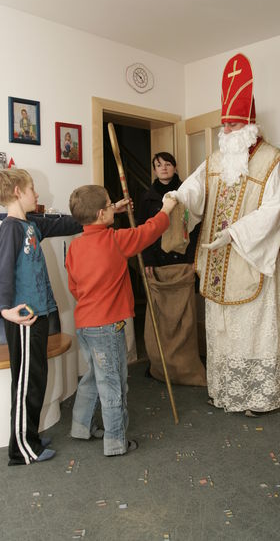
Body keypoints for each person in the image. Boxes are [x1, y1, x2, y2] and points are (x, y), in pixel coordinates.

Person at [165, 53, 280, 417]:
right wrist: (176, 199)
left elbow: (275, 210)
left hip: (250, 258)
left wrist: (234, 234)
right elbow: (195, 189)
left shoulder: (272, 161)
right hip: (216, 260)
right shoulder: (217, 159)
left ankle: (256, 396)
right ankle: (223, 391)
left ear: (250, 126)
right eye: (226, 127)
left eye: (235, 126)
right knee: (222, 331)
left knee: (252, 329)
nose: (229, 134)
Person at [65, 184, 177, 456]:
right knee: (113, 382)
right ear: (102, 213)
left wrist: (113, 207)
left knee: (93, 376)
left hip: (85, 325)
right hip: (108, 326)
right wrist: (166, 210)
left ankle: (81, 426)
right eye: (109, 204)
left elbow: (75, 288)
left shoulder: (75, 247)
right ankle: (115, 440)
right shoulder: (116, 239)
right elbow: (148, 231)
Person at [0, 169, 82, 465]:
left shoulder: (31, 224)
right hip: (23, 318)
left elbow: (67, 223)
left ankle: (29, 436)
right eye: (33, 189)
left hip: (39, 314)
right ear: (18, 192)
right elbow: (3, 269)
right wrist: (5, 308)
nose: (37, 194)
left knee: (37, 377)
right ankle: (21, 449)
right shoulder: (9, 228)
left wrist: (105, 212)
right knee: (26, 383)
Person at [137, 152, 206, 386]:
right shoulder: (147, 199)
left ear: (175, 167)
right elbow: (143, 233)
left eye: (167, 164)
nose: (163, 168)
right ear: (154, 170)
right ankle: (160, 364)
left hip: (184, 262)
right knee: (161, 319)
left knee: (185, 318)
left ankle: (185, 364)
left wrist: (193, 258)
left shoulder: (188, 194)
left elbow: (196, 229)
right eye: (158, 165)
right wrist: (148, 261)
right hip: (158, 263)